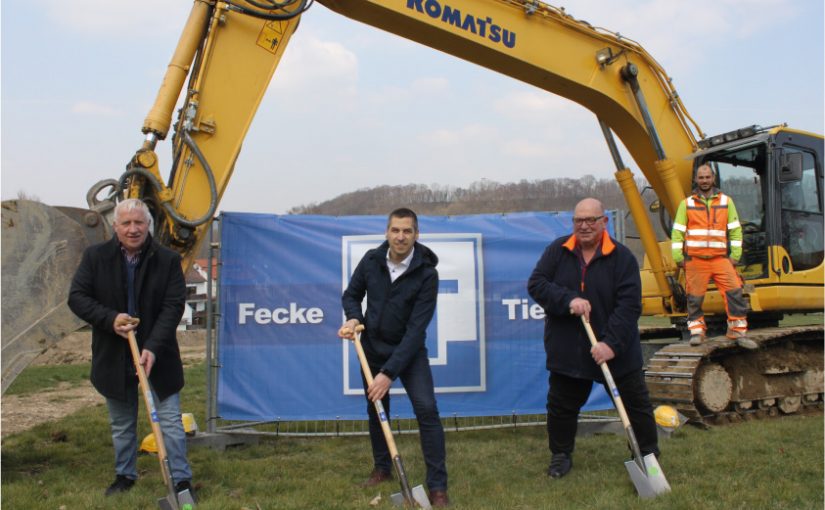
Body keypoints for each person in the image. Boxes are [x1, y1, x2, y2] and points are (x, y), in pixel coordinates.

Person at [68, 198, 196, 498]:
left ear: (147, 225)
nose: (133, 229)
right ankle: (125, 476)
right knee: (122, 425)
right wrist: (110, 319)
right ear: (115, 226)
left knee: (170, 426)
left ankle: (181, 481)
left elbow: (173, 306)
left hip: (158, 358)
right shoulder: (95, 257)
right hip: (114, 357)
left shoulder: (167, 260)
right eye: (126, 223)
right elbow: (77, 297)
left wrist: (152, 346)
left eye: (139, 222)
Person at [527, 198, 659, 479]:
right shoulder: (558, 250)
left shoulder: (622, 258)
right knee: (561, 407)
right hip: (569, 349)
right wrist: (568, 300)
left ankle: (647, 456)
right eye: (578, 220)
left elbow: (629, 306)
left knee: (636, 406)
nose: (584, 226)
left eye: (591, 220)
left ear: (604, 222)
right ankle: (560, 456)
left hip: (616, 350)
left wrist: (611, 344)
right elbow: (537, 284)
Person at [338, 208, 449, 507]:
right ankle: (382, 468)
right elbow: (351, 294)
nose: (401, 237)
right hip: (372, 349)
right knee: (376, 409)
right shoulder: (372, 260)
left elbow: (416, 330)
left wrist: (388, 373)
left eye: (407, 231)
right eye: (395, 230)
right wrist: (352, 318)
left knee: (427, 411)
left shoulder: (428, 273)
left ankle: (437, 486)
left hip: (409, 353)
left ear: (416, 234)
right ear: (387, 232)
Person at [670, 164, 757, 349]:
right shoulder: (686, 204)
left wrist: (735, 255)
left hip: (720, 259)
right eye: (701, 178)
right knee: (694, 297)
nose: (704, 181)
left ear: (713, 178)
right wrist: (678, 256)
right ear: (696, 180)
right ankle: (697, 332)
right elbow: (678, 231)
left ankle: (738, 332)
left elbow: (735, 230)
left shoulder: (726, 202)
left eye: (707, 177)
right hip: (695, 260)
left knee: (734, 292)